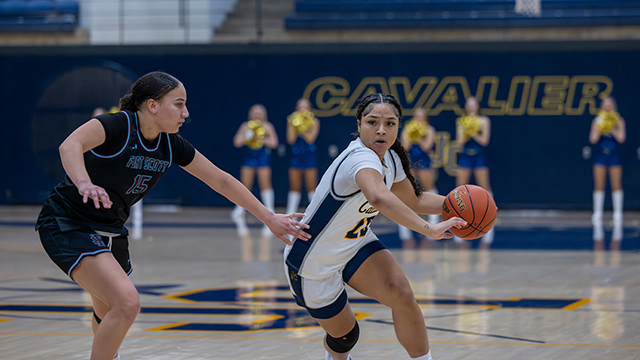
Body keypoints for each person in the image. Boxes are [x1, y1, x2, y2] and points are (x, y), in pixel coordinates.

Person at [35, 71, 310, 360]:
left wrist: (268, 217)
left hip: (111, 228)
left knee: (108, 311)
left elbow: (221, 181)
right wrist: (83, 183)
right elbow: (70, 145)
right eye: (178, 104)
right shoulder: (118, 124)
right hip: (67, 221)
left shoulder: (171, 144)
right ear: (152, 106)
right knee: (127, 303)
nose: (185, 112)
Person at [283, 93, 466, 360]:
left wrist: (462, 206)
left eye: (390, 124)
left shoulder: (390, 158)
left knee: (402, 294)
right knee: (346, 336)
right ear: (358, 125)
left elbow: (415, 199)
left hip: (354, 243)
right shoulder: (359, 158)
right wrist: (430, 228)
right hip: (313, 262)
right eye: (372, 122)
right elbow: (379, 197)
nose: (381, 129)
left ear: (398, 127)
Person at [231, 104, 279, 239]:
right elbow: (237, 142)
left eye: (259, 113)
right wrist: (247, 137)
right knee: (245, 185)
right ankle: (240, 208)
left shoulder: (267, 126)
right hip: (249, 159)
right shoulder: (246, 126)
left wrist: (261, 139)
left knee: (265, 184)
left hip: (263, 159)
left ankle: (270, 208)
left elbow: (274, 143)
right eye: (255, 113)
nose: (257, 115)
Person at [454, 96, 494, 249]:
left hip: (479, 156)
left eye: (474, 105)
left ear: (477, 106)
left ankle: (491, 214)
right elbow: (459, 142)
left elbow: (484, 141)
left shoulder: (484, 120)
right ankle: (458, 217)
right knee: (460, 188)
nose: (471, 107)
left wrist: (474, 131)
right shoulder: (461, 120)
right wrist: (466, 130)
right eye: (468, 105)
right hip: (465, 156)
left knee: (485, 186)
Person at [398, 107, 439, 249]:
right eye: (417, 116)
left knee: (428, 186)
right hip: (410, 160)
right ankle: (404, 218)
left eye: (421, 116)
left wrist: (419, 137)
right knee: (408, 188)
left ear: (425, 118)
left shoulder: (430, 129)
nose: (419, 119)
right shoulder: (408, 128)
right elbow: (404, 146)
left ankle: (434, 217)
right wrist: (412, 134)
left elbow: (427, 146)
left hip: (424, 161)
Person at [589, 96, 626, 251]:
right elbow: (592, 139)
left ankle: (617, 213)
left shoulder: (619, 120)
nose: (608, 107)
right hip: (600, 156)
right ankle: (597, 213)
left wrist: (612, 128)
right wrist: (599, 128)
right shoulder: (597, 120)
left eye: (610, 104)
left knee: (616, 184)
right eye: (605, 105)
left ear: (614, 106)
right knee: (599, 185)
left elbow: (622, 138)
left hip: (614, 156)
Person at [286, 98, 320, 215]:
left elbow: (310, 139)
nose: (303, 110)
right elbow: (290, 139)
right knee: (294, 186)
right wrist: (296, 125)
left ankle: (316, 211)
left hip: (309, 156)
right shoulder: (292, 121)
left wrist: (303, 128)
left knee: (311, 186)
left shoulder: (315, 122)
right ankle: (291, 213)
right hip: (296, 156)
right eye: (300, 107)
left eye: (305, 107)